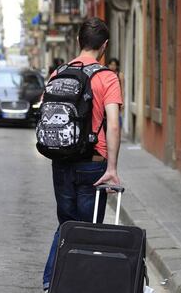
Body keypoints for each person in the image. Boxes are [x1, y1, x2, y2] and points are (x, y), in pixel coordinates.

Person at [42, 18, 123, 292]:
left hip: (61, 161)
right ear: (105, 46)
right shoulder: (107, 77)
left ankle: (50, 282)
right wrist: (112, 167)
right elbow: (113, 124)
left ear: (78, 41)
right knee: (89, 230)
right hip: (93, 164)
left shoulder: (58, 74)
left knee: (66, 225)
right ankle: (81, 285)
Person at [108, 58, 125, 127]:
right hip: (108, 98)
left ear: (117, 66)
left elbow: (122, 89)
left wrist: (122, 102)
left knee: (117, 119)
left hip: (117, 99)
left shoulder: (120, 75)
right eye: (111, 64)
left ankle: (118, 136)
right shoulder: (106, 74)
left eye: (114, 65)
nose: (112, 66)